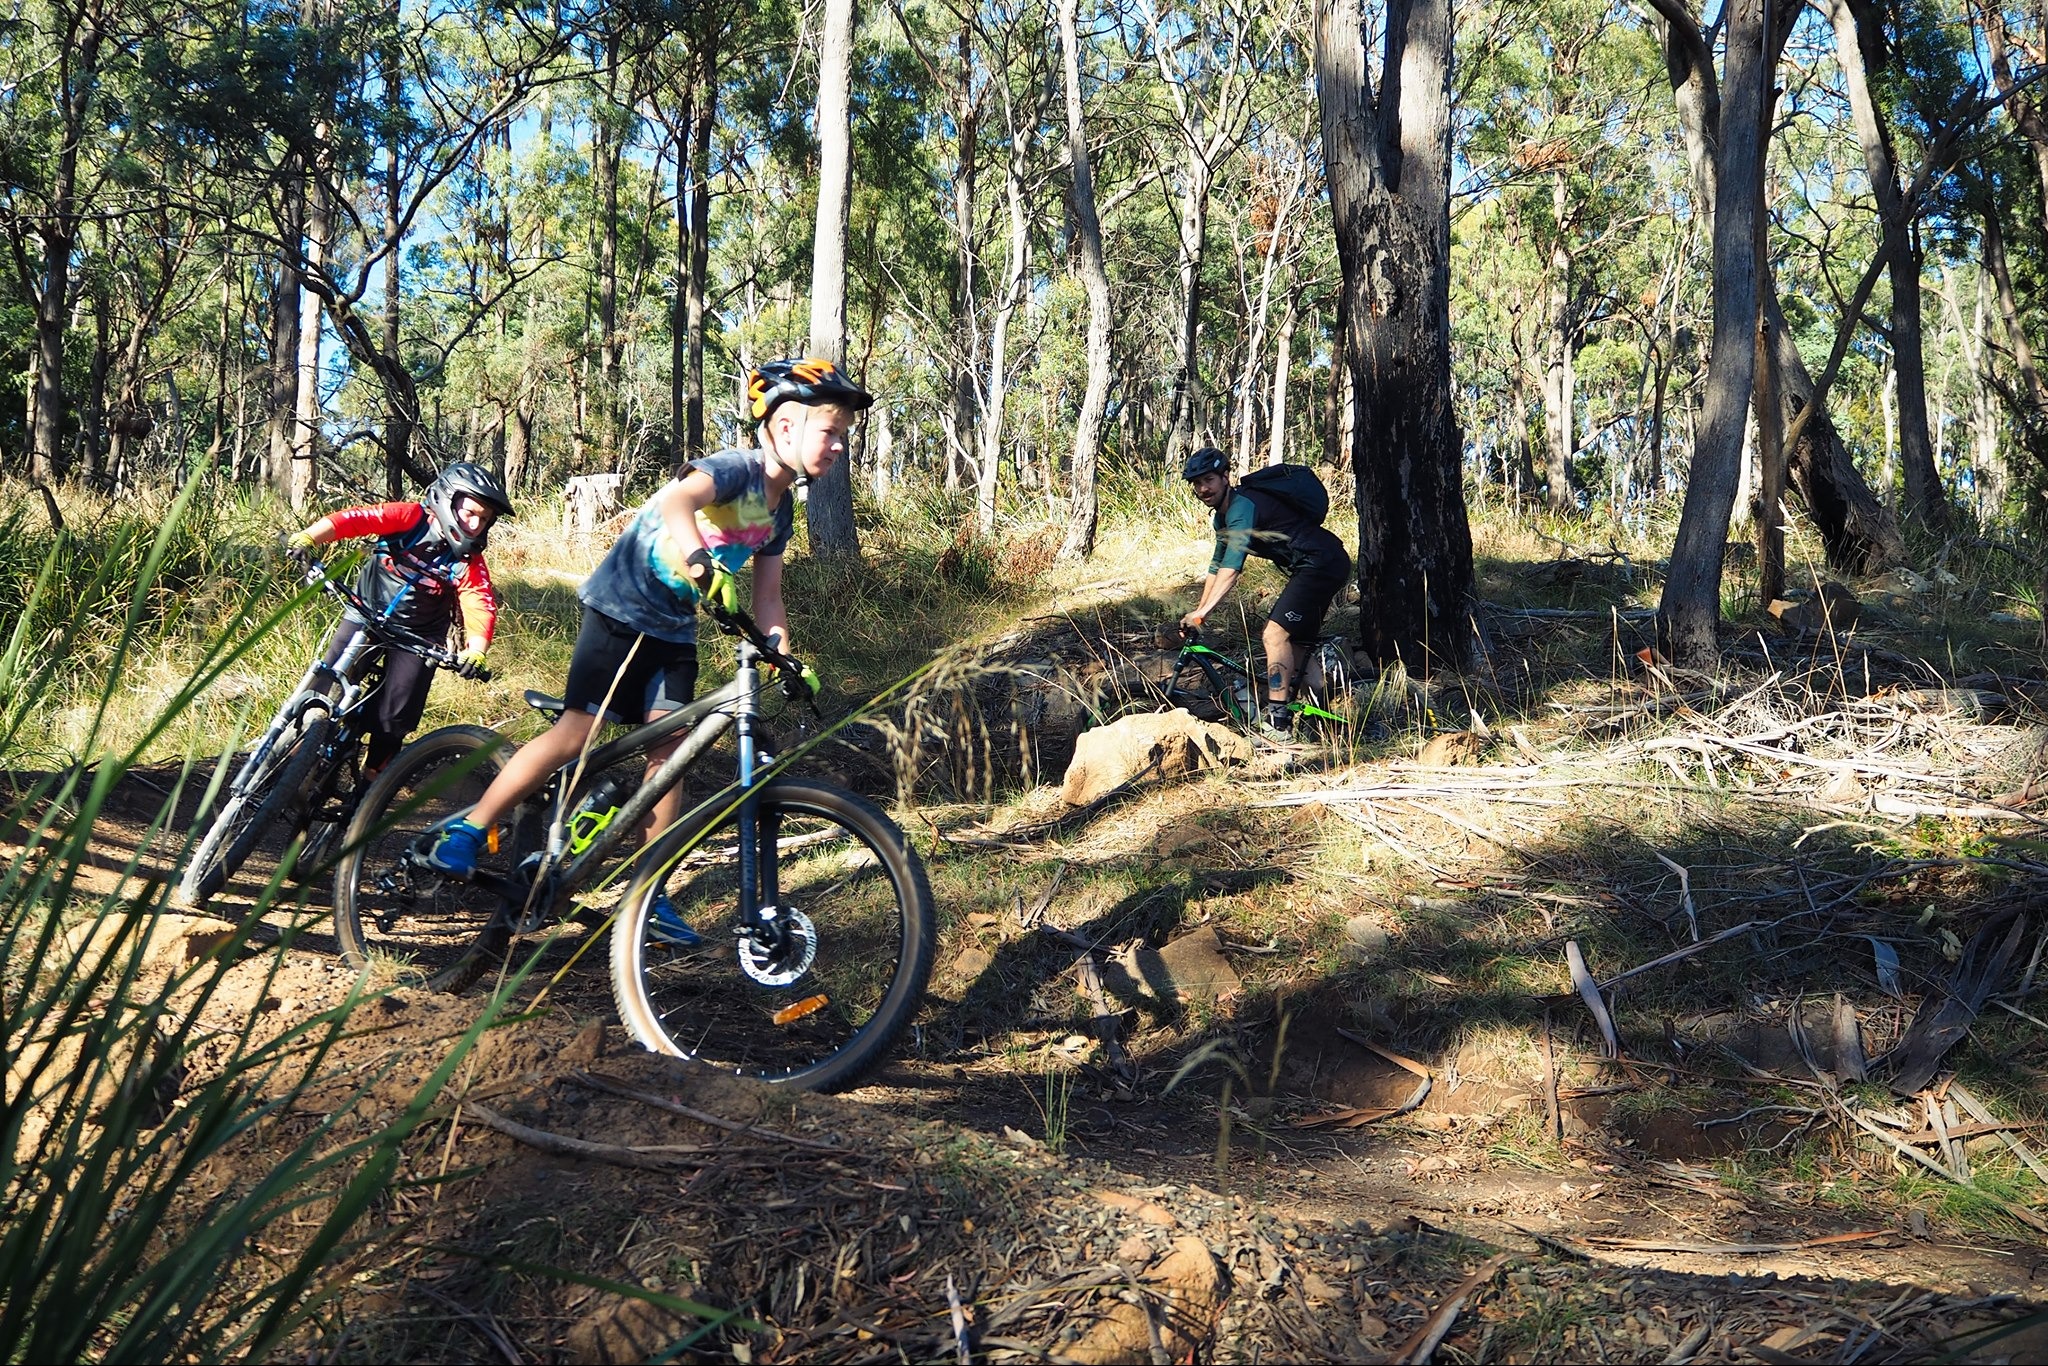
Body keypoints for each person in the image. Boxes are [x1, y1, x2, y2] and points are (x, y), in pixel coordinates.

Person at [423, 356, 872, 943]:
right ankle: (470, 828)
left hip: (674, 628)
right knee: (576, 735)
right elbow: (676, 503)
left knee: (672, 754)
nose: (839, 446)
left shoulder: (780, 510)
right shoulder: (736, 470)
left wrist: (784, 652)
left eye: (843, 435)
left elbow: (769, 597)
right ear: (786, 427)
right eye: (830, 432)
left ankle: (648, 894)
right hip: (620, 604)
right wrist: (698, 560)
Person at [284, 460, 514, 776]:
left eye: (484, 519)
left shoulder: (469, 560)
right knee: (328, 681)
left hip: (418, 637)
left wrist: (476, 650)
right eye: (470, 513)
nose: (475, 524)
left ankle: (372, 784)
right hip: (365, 611)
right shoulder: (411, 518)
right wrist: (311, 536)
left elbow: (479, 603)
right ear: (448, 501)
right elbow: (357, 520)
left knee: (395, 715)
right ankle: (293, 749)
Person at [1178, 446, 1350, 736]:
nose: (1203, 489)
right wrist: (1199, 610)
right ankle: (1325, 724)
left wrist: (1203, 614)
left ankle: (1278, 723)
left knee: (1274, 634)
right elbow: (1216, 566)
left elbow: (1232, 571)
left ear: (1225, 477)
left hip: (1321, 564)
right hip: (1314, 566)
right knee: (1295, 645)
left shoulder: (1242, 507)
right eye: (1196, 484)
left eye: (1208, 480)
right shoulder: (1222, 517)